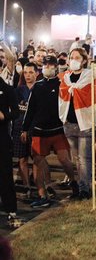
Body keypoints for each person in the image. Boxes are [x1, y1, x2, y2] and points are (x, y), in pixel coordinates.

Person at [22, 56, 79, 208]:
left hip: (58, 129)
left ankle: (74, 183)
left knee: (64, 160)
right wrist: (24, 128)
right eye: (46, 64)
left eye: (51, 64)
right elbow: (30, 109)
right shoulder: (38, 86)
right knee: (38, 162)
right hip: (40, 131)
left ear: (55, 66)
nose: (48, 67)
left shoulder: (62, 84)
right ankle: (42, 195)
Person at [58, 48, 96, 199]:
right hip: (70, 124)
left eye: (77, 57)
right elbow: (62, 99)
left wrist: (95, 118)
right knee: (77, 159)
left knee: (85, 159)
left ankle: (85, 190)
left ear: (84, 60)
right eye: (71, 57)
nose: (73, 60)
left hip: (85, 123)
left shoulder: (91, 76)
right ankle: (81, 187)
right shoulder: (65, 78)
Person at [11, 63, 39, 199]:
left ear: (36, 73)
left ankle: (40, 188)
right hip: (18, 128)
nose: (28, 75)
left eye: (30, 72)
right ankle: (27, 187)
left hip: (35, 129)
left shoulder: (39, 89)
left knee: (37, 159)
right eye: (25, 72)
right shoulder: (18, 91)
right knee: (22, 159)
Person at [0, 73, 22, 227]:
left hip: (2, 138)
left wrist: (4, 116)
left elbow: (16, 112)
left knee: (5, 173)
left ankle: (11, 209)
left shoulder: (6, 89)